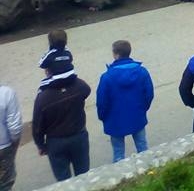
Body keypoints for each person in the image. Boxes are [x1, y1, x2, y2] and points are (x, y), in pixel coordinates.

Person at [33, 45, 91, 181]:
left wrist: (41, 145)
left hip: (56, 142)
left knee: (63, 181)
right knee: (84, 176)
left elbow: (37, 125)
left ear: (48, 72)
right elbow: (87, 91)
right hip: (79, 136)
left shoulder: (43, 97)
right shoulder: (78, 85)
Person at [95, 40, 154, 162]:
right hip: (137, 115)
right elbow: (149, 94)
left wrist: (103, 116)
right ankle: (148, 170)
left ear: (116, 55)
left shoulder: (107, 77)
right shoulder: (142, 72)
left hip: (114, 119)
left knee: (118, 152)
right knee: (142, 147)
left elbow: (102, 101)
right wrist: (143, 109)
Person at [0, 83, 21, 191]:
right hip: (4, 148)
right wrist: (15, 143)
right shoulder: (6, 93)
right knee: (5, 185)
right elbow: (15, 127)